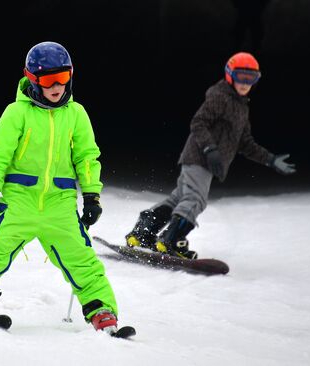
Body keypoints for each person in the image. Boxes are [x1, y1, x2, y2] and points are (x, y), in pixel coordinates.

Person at [0, 41, 121, 334]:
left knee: (83, 260)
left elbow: (87, 156)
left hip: (60, 205)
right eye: (49, 79)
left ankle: (102, 310)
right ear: (33, 79)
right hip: (19, 202)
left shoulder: (76, 114)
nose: (57, 86)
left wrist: (91, 195)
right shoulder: (17, 114)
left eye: (63, 78)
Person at [125, 51, 296, 259]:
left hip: (200, 160)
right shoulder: (220, 96)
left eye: (251, 79)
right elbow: (198, 122)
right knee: (196, 199)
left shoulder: (241, 107)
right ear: (230, 75)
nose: (245, 83)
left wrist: (270, 159)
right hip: (199, 158)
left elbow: (245, 143)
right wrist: (210, 149)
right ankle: (172, 240)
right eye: (241, 77)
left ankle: (144, 231)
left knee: (179, 198)